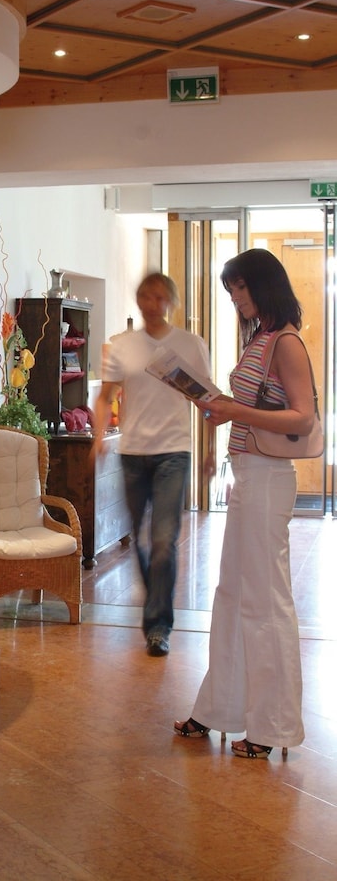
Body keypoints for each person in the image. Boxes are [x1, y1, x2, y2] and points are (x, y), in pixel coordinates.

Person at [174, 248, 315, 759]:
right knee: (232, 594)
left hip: (269, 478)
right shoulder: (260, 337)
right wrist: (221, 407)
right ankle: (218, 710)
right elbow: (255, 406)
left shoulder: (286, 341)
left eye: (240, 287)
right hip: (249, 476)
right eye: (231, 290)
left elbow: (303, 417)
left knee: (265, 601)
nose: (235, 297)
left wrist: (235, 410)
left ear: (263, 284)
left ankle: (271, 727)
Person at [94, 273, 214, 657]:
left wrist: (211, 451)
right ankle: (155, 603)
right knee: (142, 541)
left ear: (172, 302)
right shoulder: (124, 345)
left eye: (161, 297)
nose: (152, 304)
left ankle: (158, 626)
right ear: (139, 300)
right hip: (133, 455)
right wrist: (98, 437)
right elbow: (105, 397)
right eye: (146, 296)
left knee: (163, 541)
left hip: (174, 453)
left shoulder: (191, 345)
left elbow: (206, 402)